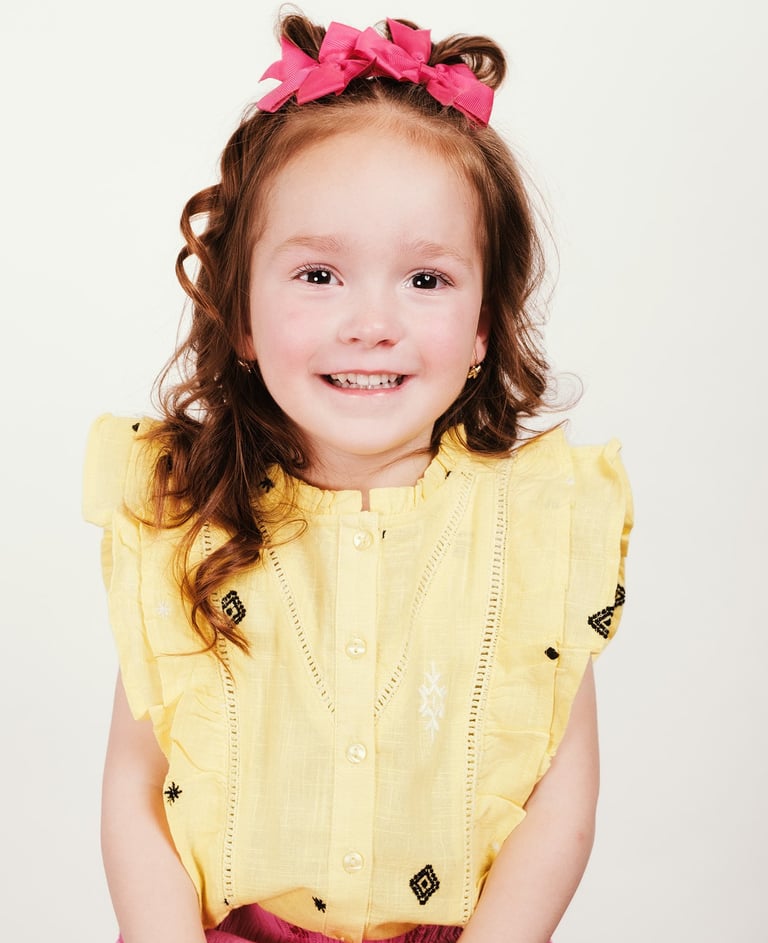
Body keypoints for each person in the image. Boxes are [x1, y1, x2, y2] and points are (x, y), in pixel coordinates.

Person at [83, 11, 633, 943]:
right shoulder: (184, 517)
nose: (371, 322)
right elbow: (135, 779)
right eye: (318, 275)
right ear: (243, 315)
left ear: (484, 327)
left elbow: (561, 795)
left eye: (426, 281)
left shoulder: (534, 529)